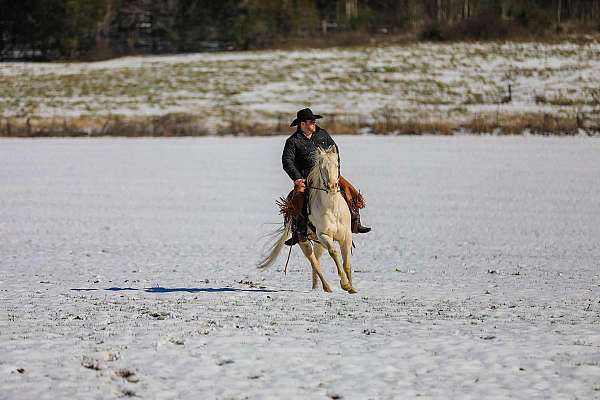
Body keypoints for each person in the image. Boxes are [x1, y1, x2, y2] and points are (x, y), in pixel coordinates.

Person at [282, 108, 371, 246]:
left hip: (328, 173)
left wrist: (335, 172)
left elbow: (335, 152)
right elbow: (287, 161)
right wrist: (297, 177)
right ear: (302, 124)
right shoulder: (293, 141)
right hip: (306, 177)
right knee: (296, 198)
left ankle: (355, 221)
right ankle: (298, 230)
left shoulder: (322, 134)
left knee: (350, 190)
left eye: (314, 121)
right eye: (311, 122)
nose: (314, 123)